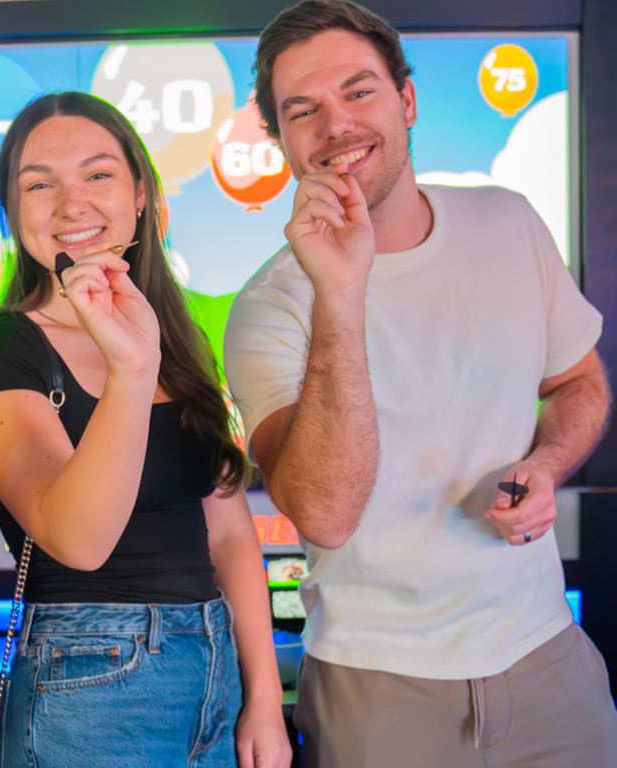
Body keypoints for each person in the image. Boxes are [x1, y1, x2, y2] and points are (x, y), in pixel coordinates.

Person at [224, 1, 617, 766]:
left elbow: (579, 383)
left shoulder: (510, 223)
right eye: (303, 110)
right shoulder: (269, 308)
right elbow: (325, 516)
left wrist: (546, 465)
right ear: (279, 141)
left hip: (548, 660)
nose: (336, 125)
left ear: (406, 100)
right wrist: (341, 290)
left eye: (359, 91)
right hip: (379, 690)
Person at [0, 92, 293, 768]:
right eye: (38, 184)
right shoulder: (0, 350)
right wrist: (131, 370)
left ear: (141, 194)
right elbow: (77, 540)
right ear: (13, 213)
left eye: (98, 174)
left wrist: (263, 699)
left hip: (213, 663)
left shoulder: (178, 337)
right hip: (88, 674)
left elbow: (226, 532)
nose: (70, 202)